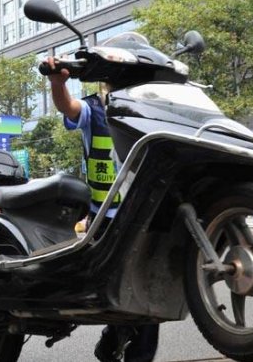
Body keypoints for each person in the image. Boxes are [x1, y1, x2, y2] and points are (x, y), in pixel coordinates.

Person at [46, 56, 159, 362]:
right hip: (105, 219)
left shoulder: (152, 109)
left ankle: (129, 349)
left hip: (146, 214)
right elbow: (68, 107)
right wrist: (58, 83)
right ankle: (115, 336)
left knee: (148, 286)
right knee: (116, 286)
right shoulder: (93, 108)